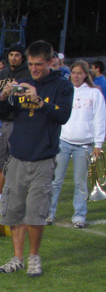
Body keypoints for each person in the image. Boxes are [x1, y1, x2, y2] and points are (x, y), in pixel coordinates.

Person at [0, 40, 74, 277]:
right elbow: (1, 113)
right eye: (31, 64)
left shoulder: (61, 86)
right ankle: (17, 258)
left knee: (36, 213)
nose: (35, 69)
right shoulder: (22, 82)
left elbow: (63, 116)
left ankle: (34, 258)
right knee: (14, 211)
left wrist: (39, 102)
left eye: (39, 64)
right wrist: (3, 96)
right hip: (17, 157)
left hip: (43, 158)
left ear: (50, 62)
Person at [48, 61, 106, 228]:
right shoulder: (65, 90)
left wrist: (98, 143)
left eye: (80, 73)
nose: (76, 76)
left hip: (84, 145)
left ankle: (79, 216)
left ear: (86, 75)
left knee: (80, 182)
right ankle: (48, 213)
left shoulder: (95, 93)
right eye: (73, 73)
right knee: (55, 180)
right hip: (63, 142)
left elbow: (100, 119)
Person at [0, 43, 31, 201]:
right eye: (11, 54)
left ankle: (17, 195)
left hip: (19, 122)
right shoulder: (2, 74)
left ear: (22, 57)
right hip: (1, 122)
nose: (13, 58)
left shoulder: (28, 73)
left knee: (18, 162)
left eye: (17, 55)